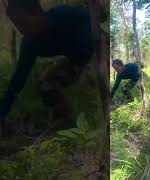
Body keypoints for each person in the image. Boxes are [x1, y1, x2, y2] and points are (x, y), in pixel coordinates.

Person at [0, 0, 94, 130]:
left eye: (23, 22)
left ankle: (96, 117)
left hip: (97, 51)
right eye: (16, 24)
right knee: (45, 85)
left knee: (93, 79)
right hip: (75, 62)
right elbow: (19, 78)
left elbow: (86, 15)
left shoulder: (64, 15)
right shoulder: (30, 44)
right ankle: (67, 124)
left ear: (38, 13)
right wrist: (2, 111)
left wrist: (86, 44)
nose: (21, 29)